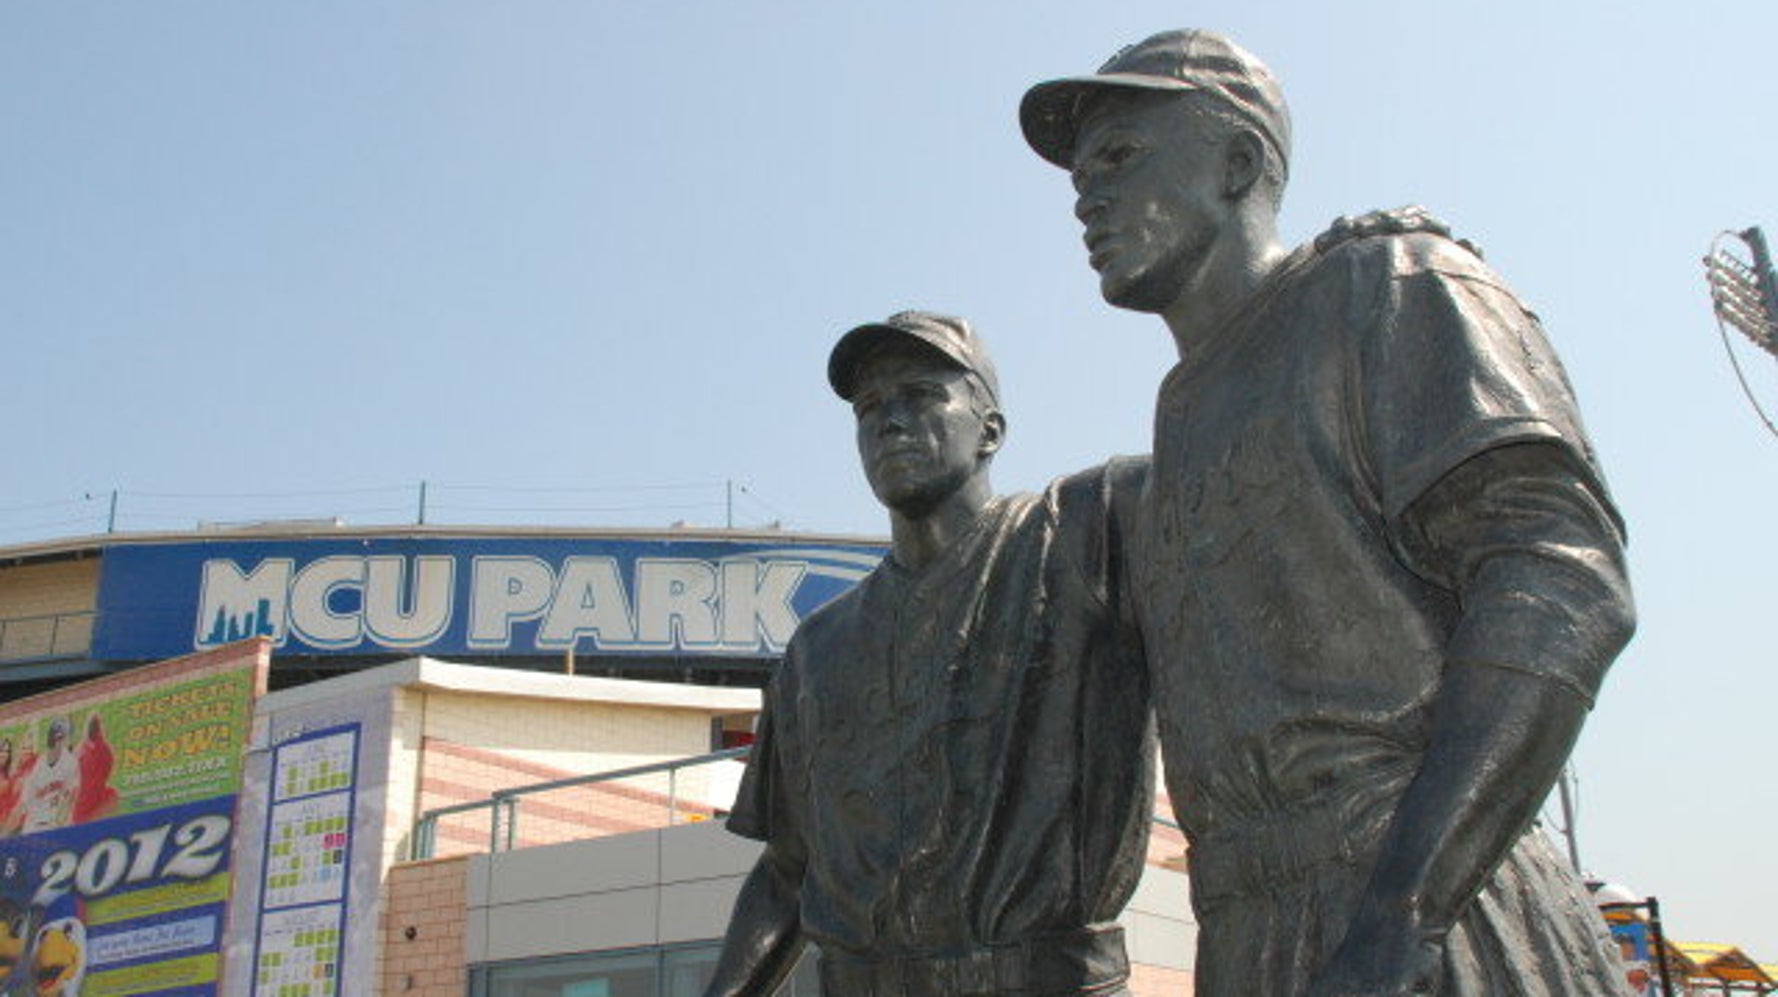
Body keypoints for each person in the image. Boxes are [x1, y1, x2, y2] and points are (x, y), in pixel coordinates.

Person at [1021, 30, 1636, 997]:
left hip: (1423, 897)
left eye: (1121, 157)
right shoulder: (1176, 420)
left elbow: (1561, 575)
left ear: (1236, 162)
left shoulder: (1387, 283)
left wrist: (1406, 909)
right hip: (1248, 923)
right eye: (1080, 177)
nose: (1085, 198)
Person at [704, 311, 1154, 996]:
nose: (889, 421)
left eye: (920, 394)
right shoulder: (817, 649)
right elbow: (787, 873)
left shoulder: (1083, 535)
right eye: (869, 408)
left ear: (990, 430)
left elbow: (1228, 457)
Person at [17, 720, 79, 834]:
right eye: (59, 737)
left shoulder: (70, 762)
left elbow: (72, 792)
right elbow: (24, 802)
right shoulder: (38, 765)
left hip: (55, 824)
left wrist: (65, 817)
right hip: (33, 825)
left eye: (64, 737)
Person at [71, 714, 118, 826]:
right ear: (100, 730)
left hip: (83, 802)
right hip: (93, 798)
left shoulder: (80, 749)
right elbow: (108, 770)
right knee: (113, 796)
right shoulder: (104, 749)